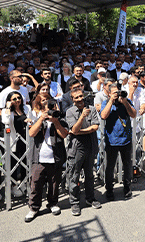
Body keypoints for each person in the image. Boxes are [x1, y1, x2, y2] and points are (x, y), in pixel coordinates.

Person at [24, 93, 69, 223]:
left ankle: (53, 203)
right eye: (47, 108)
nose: (50, 110)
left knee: (54, 184)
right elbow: (31, 133)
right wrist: (41, 118)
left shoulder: (60, 120)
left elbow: (64, 135)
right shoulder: (38, 119)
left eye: (52, 107)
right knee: (36, 185)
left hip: (55, 158)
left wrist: (55, 121)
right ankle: (34, 208)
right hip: (38, 158)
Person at [65, 88, 101, 216]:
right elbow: (74, 129)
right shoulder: (69, 112)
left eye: (81, 96)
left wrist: (81, 132)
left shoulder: (91, 108)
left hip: (90, 145)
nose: (80, 99)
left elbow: (95, 127)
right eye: (77, 97)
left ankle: (90, 198)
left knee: (90, 175)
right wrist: (82, 117)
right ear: (72, 99)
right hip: (76, 147)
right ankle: (74, 202)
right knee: (74, 175)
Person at [100, 84, 136, 200]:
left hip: (126, 139)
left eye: (118, 92)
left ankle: (127, 187)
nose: (117, 95)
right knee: (110, 167)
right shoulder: (106, 102)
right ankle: (109, 189)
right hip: (112, 140)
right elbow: (103, 116)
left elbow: (133, 114)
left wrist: (125, 102)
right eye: (114, 93)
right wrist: (111, 100)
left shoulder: (126, 101)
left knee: (127, 165)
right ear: (109, 93)